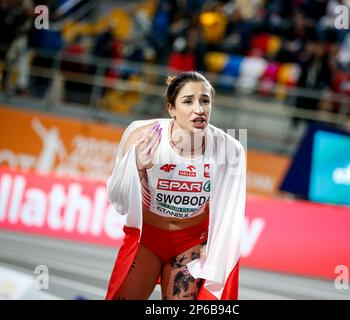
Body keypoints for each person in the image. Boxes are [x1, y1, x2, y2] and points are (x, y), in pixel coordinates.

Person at [105, 71, 247, 300]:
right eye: (188, 101)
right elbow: (117, 199)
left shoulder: (230, 150)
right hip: (146, 241)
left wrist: (215, 248)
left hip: (190, 244)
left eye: (205, 101)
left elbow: (231, 209)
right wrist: (137, 166)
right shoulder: (143, 136)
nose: (199, 109)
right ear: (171, 108)